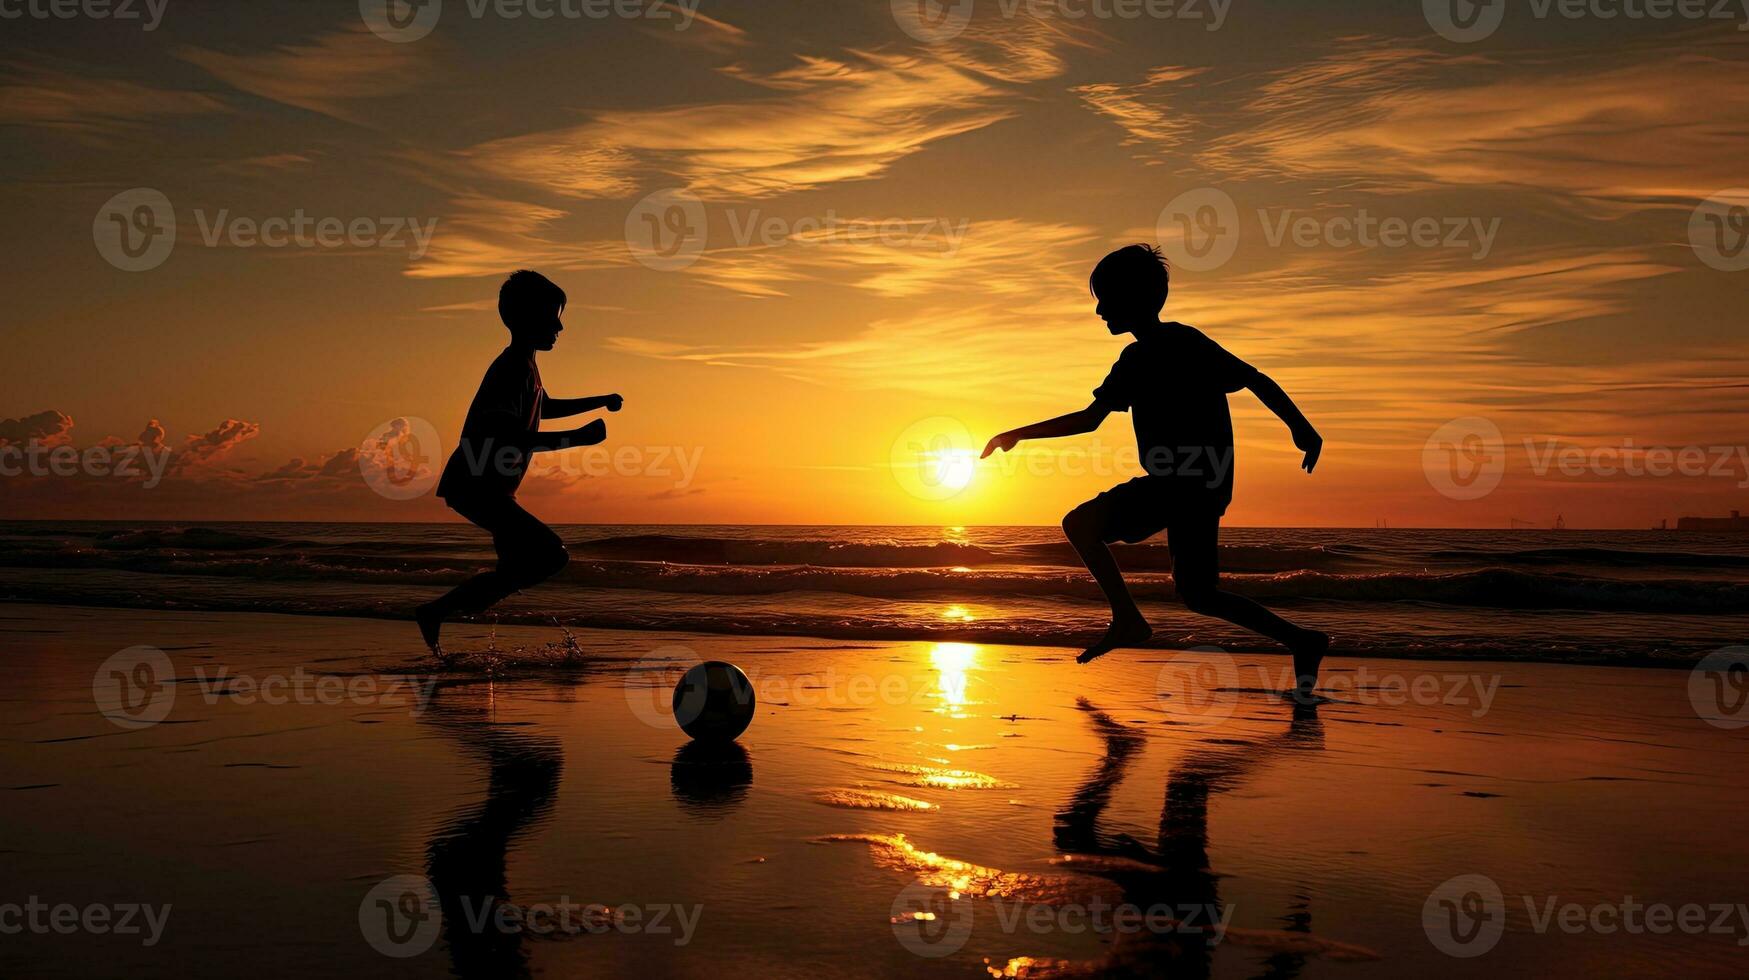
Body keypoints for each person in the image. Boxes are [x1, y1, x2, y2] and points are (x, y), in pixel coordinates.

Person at [981, 244, 1329, 691]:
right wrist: (1302, 430)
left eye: (1107, 299)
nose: (1100, 310)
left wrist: (1302, 428)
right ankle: (1302, 640)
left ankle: (1127, 618)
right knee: (1199, 594)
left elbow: (1253, 378)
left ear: (1137, 299)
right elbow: (1091, 420)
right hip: (1207, 485)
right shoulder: (1154, 353)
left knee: (1080, 524)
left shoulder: (1172, 346)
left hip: (1178, 483)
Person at [415, 270, 621, 656]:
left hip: (488, 488)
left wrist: (599, 400)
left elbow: (545, 406)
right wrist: (578, 438)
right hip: (476, 484)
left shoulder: (525, 367)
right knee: (551, 555)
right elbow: (508, 437)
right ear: (526, 318)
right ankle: (441, 609)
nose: (560, 325)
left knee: (517, 566)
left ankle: (458, 606)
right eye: (553, 315)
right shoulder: (511, 368)